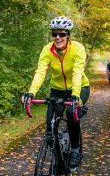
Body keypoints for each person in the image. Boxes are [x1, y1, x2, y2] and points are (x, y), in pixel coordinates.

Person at [22, 16, 90, 168]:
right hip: (57, 90)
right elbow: (40, 72)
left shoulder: (77, 48)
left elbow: (77, 72)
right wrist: (31, 92)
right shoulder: (47, 50)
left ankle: (74, 150)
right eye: (55, 34)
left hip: (79, 88)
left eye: (62, 34)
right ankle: (57, 157)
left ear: (68, 35)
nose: (58, 37)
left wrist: (75, 95)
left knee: (71, 113)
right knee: (50, 128)